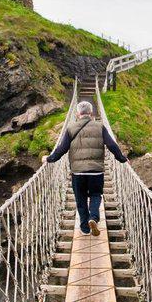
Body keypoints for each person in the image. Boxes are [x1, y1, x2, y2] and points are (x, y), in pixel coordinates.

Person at [45, 101, 128, 236]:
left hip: (78, 172)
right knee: (96, 195)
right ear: (91, 113)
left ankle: (84, 228)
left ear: (78, 113)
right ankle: (93, 217)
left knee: (80, 199)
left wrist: (49, 159)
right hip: (96, 171)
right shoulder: (100, 126)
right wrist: (122, 159)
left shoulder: (71, 128)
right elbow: (112, 145)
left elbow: (62, 149)